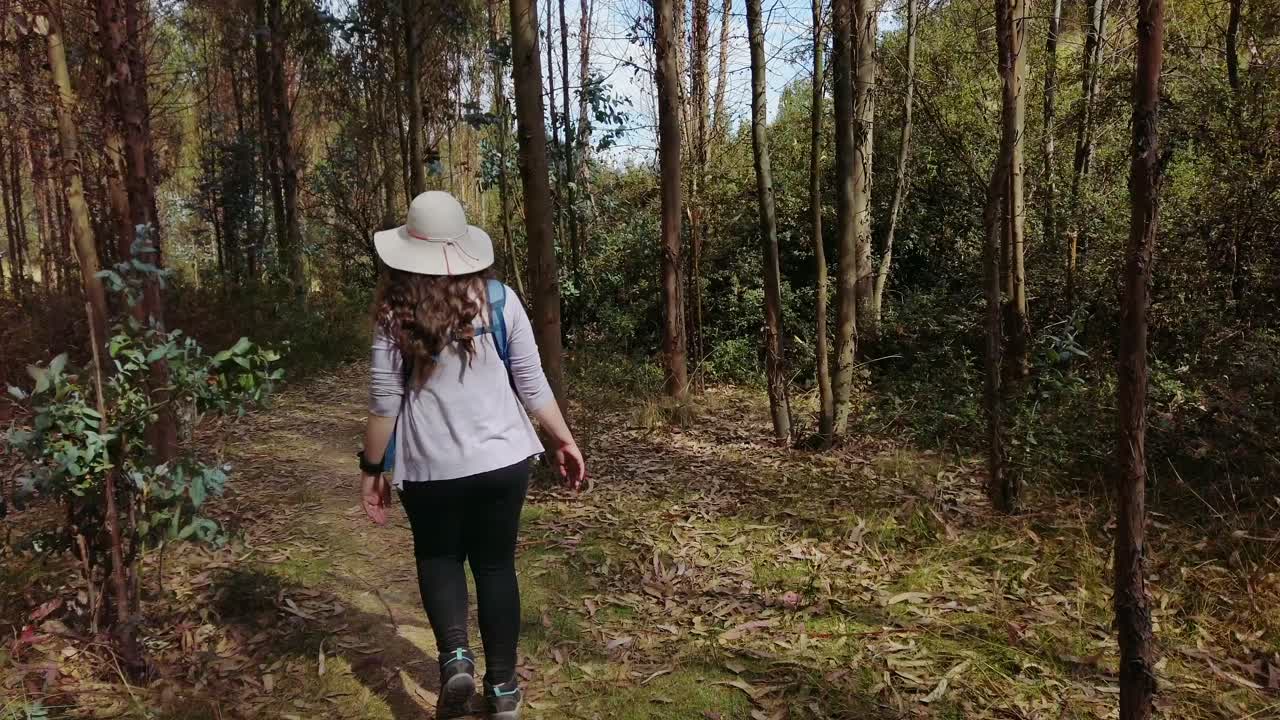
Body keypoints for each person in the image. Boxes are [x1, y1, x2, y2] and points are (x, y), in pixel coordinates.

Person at [357, 191, 585, 720]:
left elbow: (383, 402)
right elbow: (531, 382)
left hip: (431, 468)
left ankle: (456, 658)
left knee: (438, 558)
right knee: (495, 565)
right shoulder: (500, 300)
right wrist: (562, 439)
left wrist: (372, 469)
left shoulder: (395, 316)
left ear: (408, 250)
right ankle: (503, 688)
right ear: (463, 247)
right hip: (504, 461)